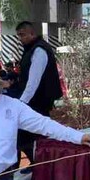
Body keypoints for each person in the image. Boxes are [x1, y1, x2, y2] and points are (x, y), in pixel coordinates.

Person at [15, 21, 63, 163]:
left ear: (32, 33)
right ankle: (35, 163)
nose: (20, 38)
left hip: (37, 101)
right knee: (28, 136)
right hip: (34, 101)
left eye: (22, 35)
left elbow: (33, 82)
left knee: (28, 135)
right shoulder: (32, 49)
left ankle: (37, 163)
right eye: (18, 35)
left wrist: (21, 103)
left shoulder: (39, 50)